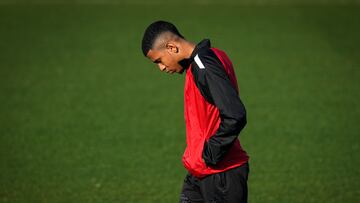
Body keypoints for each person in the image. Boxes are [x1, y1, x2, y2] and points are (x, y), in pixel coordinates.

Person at [141, 20, 250, 203]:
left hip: (221, 176)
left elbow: (235, 114)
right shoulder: (203, 61)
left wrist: (209, 155)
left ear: (171, 47)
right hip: (200, 174)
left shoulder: (204, 66)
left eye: (159, 60)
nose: (161, 67)